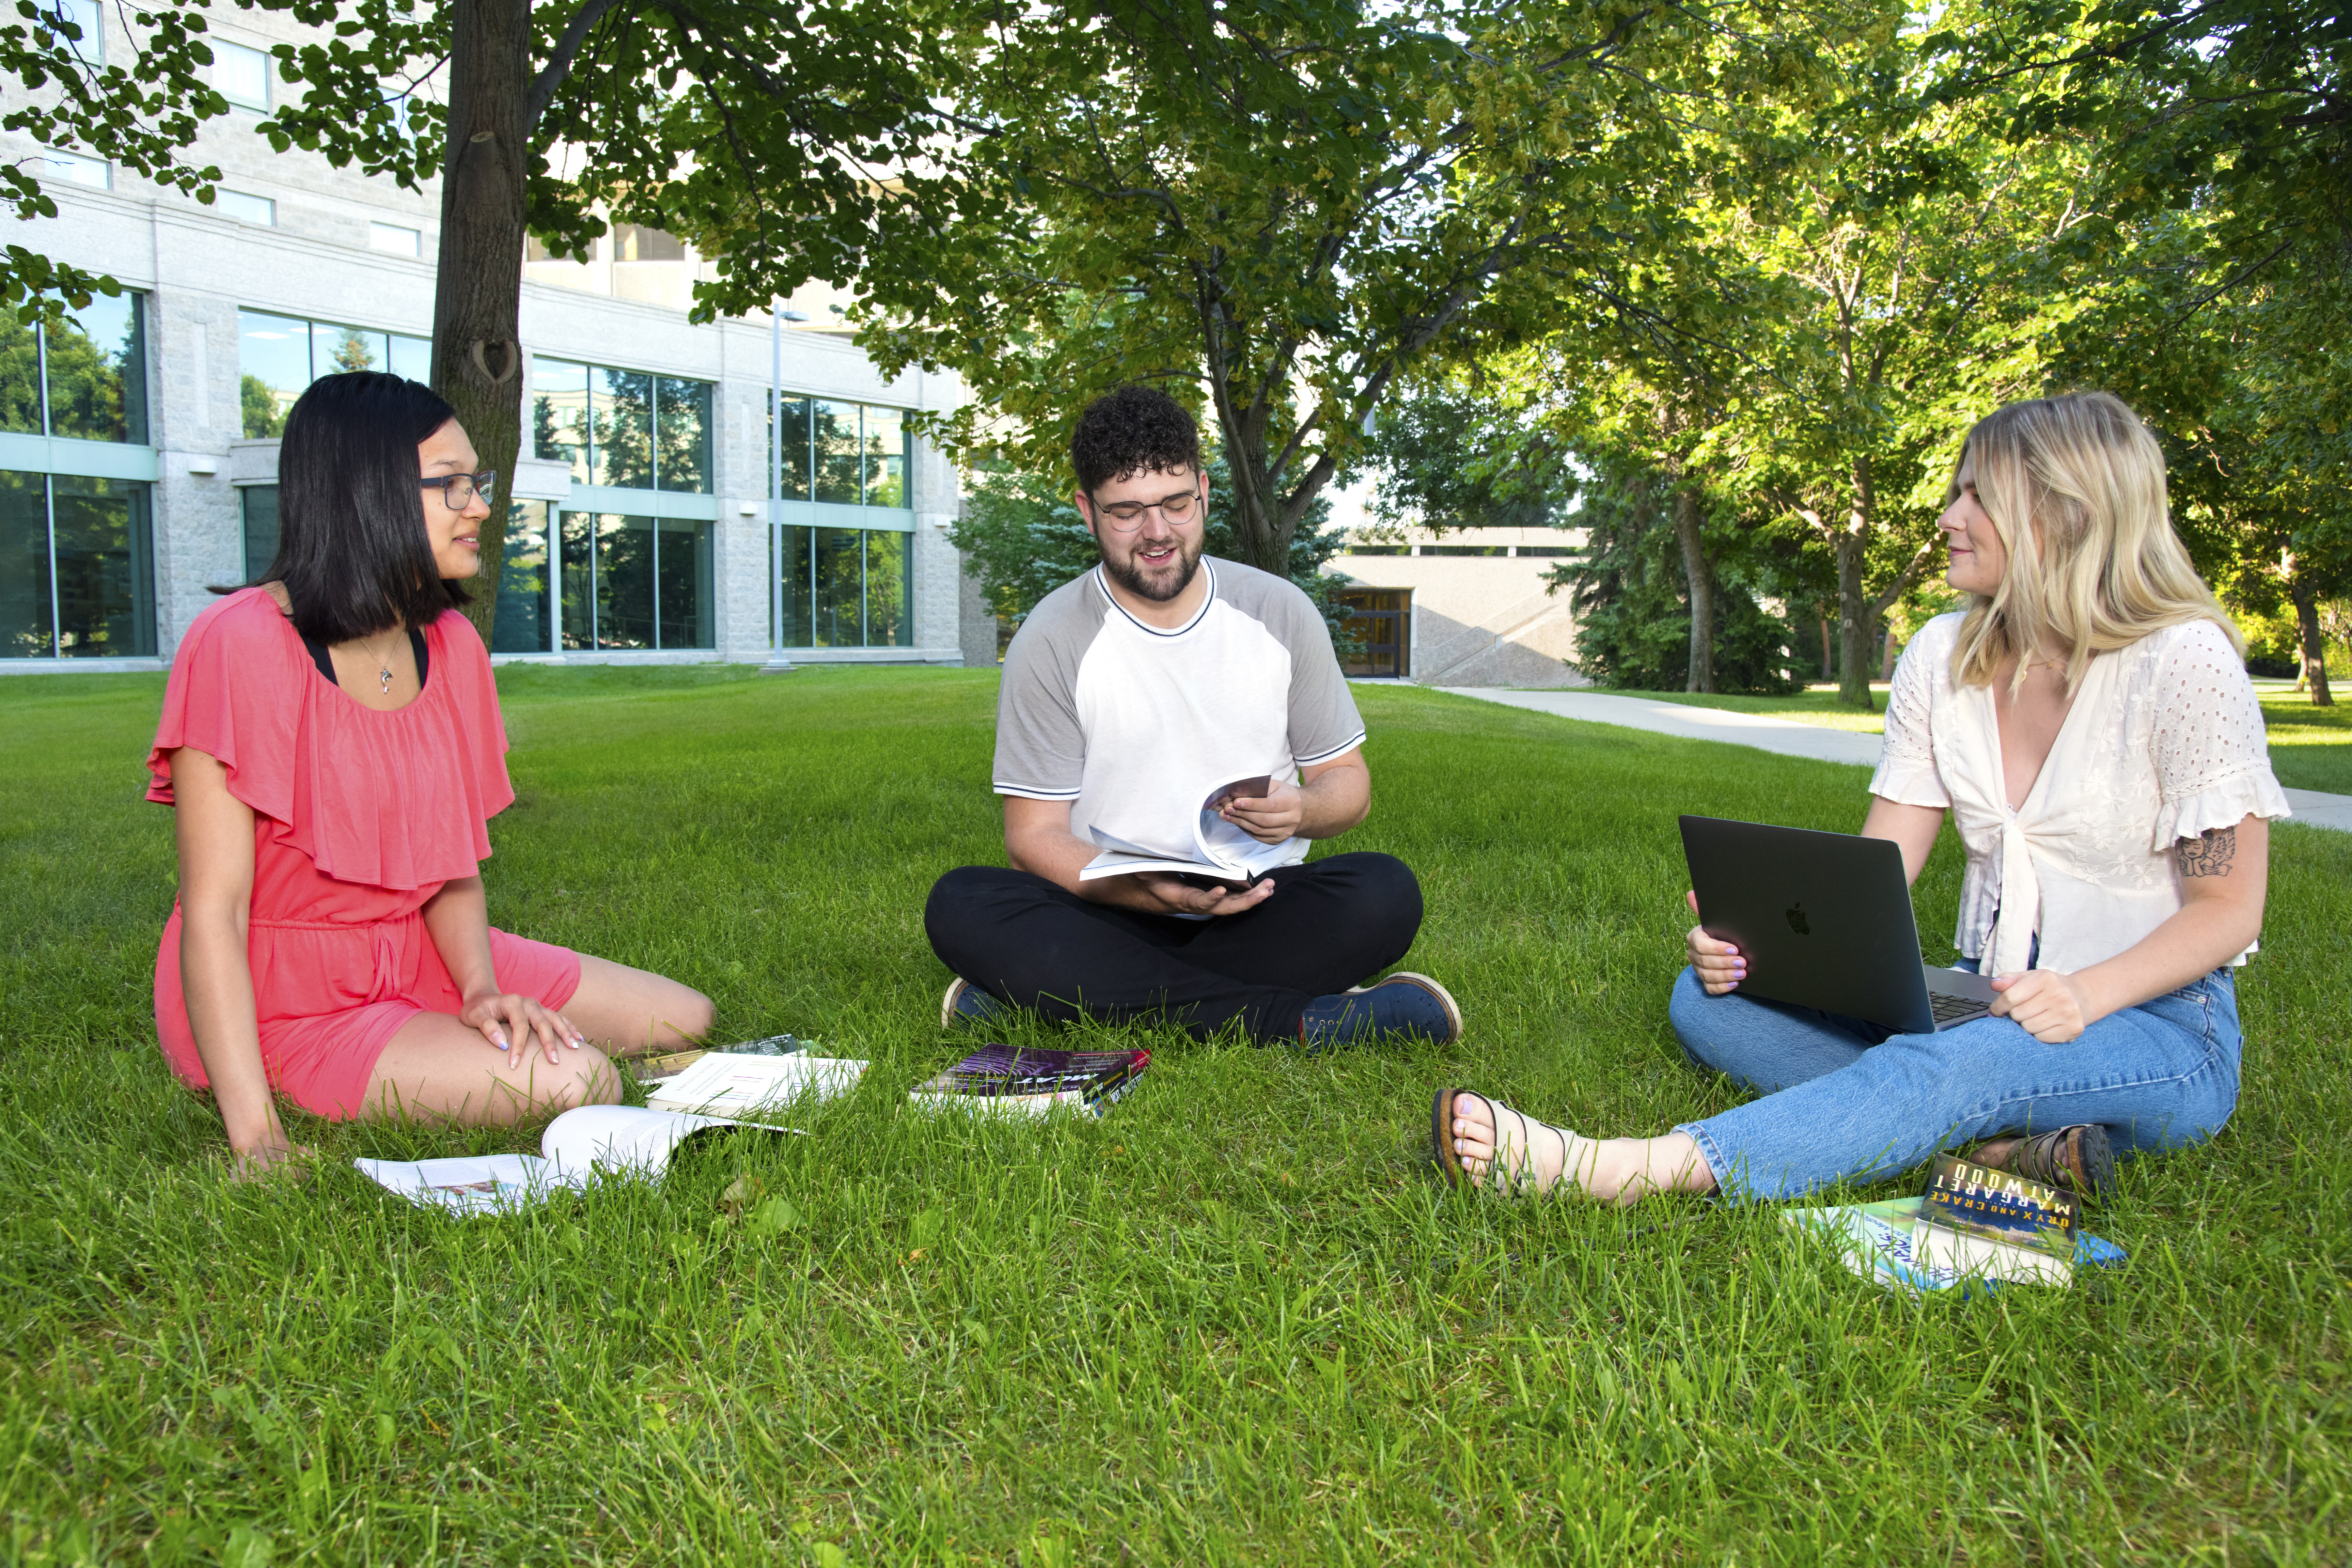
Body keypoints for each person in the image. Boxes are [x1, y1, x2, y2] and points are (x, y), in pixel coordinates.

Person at [1435, 390, 2288, 1203]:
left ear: (2063, 513)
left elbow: (2226, 909)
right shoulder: (1940, 654)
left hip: (2159, 1024)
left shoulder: (2181, 662)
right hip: (1982, 993)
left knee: (1956, 1063)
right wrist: (1765, 944)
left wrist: (2083, 993)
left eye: (1975, 497)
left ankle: (1619, 1168)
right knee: (1707, 999)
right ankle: (1994, 1153)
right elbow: (1881, 866)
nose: (1947, 518)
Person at [149, 371, 713, 1177]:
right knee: (582, 1077)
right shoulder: (237, 644)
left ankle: (444, 1017)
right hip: (286, 994)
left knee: (682, 1019)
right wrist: (259, 1140)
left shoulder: (451, 645)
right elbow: (214, 911)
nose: (480, 504)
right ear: (366, 494)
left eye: (475, 481)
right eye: (450, 483)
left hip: (416, 950)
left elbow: (451, 862)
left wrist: (478, 989)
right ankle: (313, 1071)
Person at [924, 385, 1458, 1046]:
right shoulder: (1052, 636)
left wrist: (1303, 810)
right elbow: (1033, 837)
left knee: (1385, 892)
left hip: (1256, 903)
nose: (1157, 533)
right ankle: (1297, 1020)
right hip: (1111, 906)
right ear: (1087, 511)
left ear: (1203, 491)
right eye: (1127, 512)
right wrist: (1156, 893)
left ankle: (1046, 997)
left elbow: (1348, 784)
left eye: (1176, 504)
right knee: (962, 903)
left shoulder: (1280, 611)